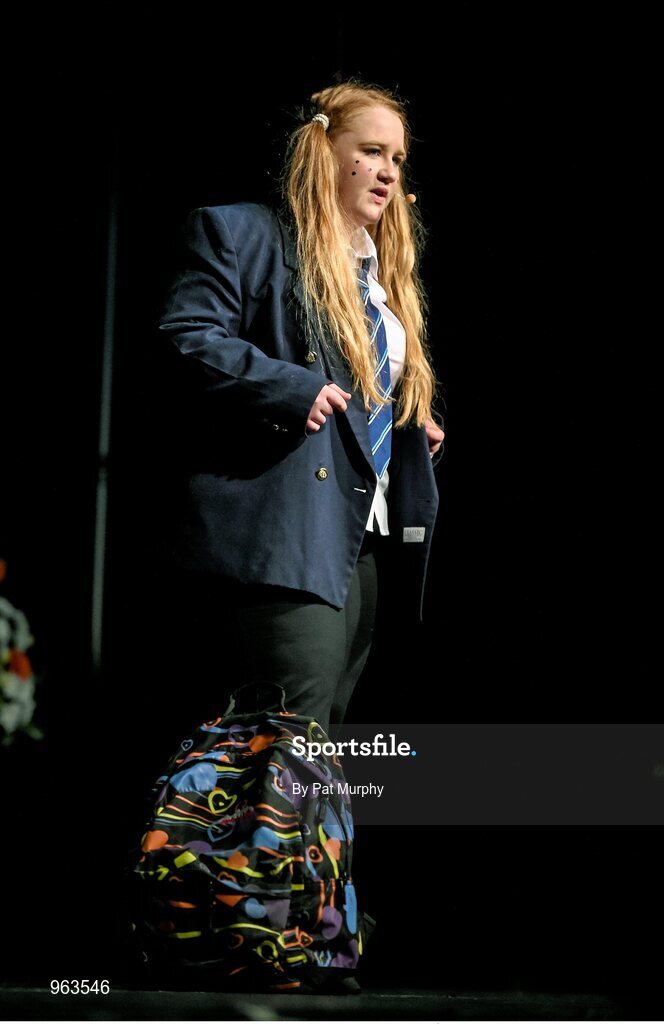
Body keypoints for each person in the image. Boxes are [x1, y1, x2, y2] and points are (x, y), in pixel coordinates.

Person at [150, 80, 445, 738]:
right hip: (286, 532)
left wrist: (401, 420)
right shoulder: (242, 231)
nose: (389, 172)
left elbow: (356, 386)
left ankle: (297, 847)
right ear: (323, 150)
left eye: (398, 158)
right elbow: (186, 337)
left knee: (323, 748)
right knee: (287, 741)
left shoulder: (377, 277)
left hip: (363, 540)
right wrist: (290, 387)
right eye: (371, 151)